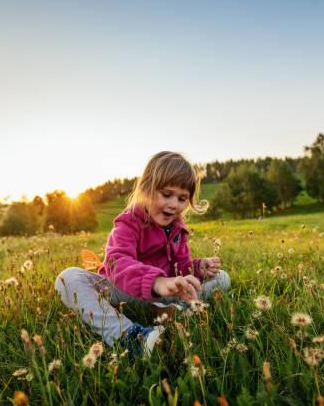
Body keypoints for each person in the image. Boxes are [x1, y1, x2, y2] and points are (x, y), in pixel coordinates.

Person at [55, 151, 230, 356]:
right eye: (166, 194)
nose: (174, 204)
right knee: (67, 279)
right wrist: (156, 282)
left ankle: (168, 311)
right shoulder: (128, 222)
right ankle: (131, 337)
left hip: (166, 294)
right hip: (124, 292)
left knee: (222, 277)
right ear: (146, 189)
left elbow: (180, 268)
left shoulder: (177, 229)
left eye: (182, 198)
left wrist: (198, 268)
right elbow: (116, 263)